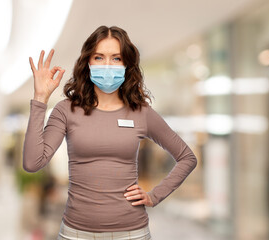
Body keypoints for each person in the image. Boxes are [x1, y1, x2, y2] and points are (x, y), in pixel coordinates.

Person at [23, 25, 198, 240]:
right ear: (87, 63)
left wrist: (155, 195)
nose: (107, 65)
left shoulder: (141, 113)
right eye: (99, 57)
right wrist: (40, 98)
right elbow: (32, 163)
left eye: (116, 58)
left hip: (132, 234)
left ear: (126, 64)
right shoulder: (66, 110)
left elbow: (187, 157)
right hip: (76, 234)